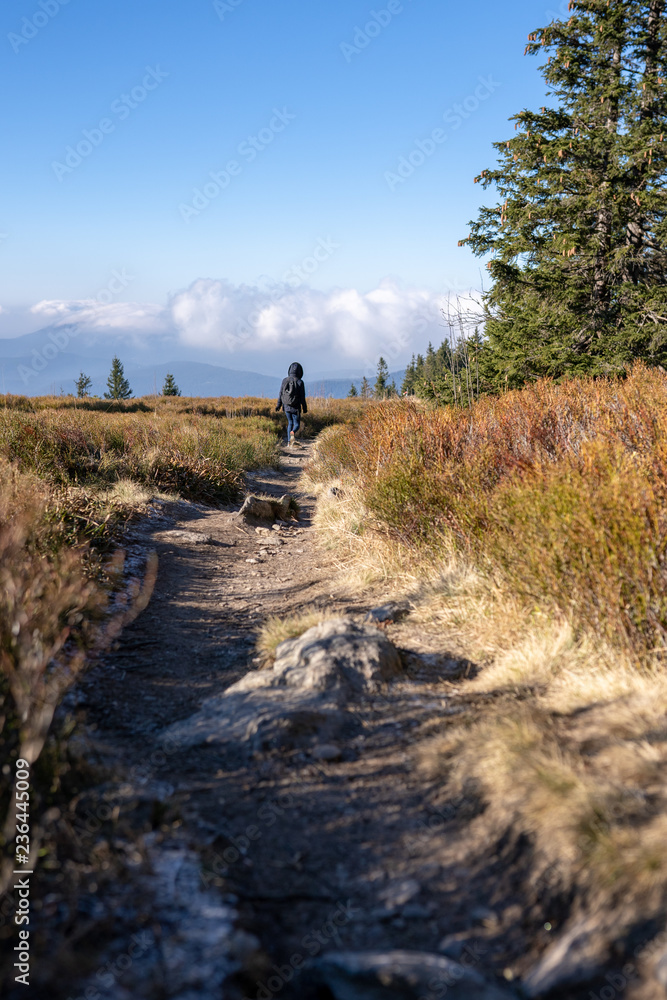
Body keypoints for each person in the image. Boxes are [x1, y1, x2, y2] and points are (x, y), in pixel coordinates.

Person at [276, 361, 307, 447]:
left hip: (286, 406)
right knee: (296, 424)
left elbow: (281, 394)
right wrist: (304, 408)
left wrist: (278, 405)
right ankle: (293, 432)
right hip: (296, 407)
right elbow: (302, 397)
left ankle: (289, 442)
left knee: (290, 423)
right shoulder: (300, 382)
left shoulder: (284, 380)